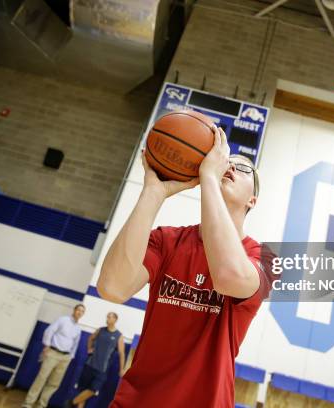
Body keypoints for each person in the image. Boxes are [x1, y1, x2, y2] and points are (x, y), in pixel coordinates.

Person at [97, 126, 274, 407]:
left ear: (253, 200)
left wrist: (209, 179)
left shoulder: (264, 259)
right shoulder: (167, 241)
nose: (231, 167)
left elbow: (228, 276)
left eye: (243, 168)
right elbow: (112, 289)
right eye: (227, 163)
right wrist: (153, 192)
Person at [22, 304, 84, 408]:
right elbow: (49, 330)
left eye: (82, 311)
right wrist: (47, 345)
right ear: (74, 310)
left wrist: (71, 356)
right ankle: (28, 403)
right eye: (78, 310)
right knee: (41, 379)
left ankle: (41, 405)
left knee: (54, 384)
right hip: (53, 353)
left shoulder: (78, 328)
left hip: (65, 358)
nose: (80, 312)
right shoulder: (63, 320)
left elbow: (75, 344)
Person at [67, 312, 125, 408]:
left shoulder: (119, 336)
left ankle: (71, 403)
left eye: (110, 317)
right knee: (83, 391)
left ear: (115, 320)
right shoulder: (100, 330)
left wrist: (121, 369)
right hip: (90, 365)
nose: (107, 319)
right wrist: (89, 348)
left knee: (92, 390)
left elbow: (121, 353)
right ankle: (74, 404)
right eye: (107, 317)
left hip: (102, 369)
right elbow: (90, 338)